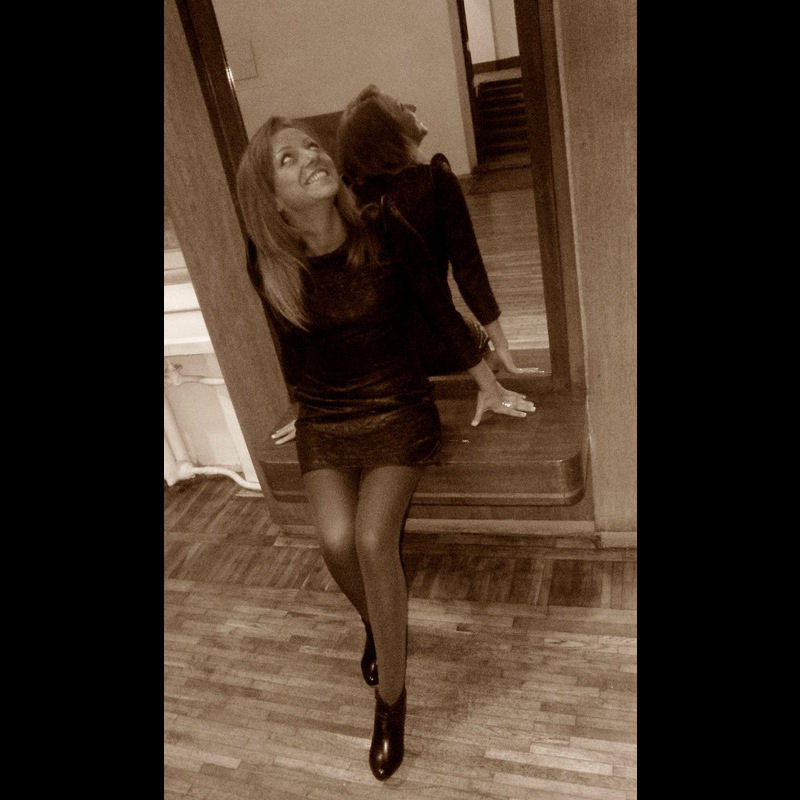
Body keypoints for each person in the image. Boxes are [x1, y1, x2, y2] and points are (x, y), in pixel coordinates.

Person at [236, 116, 535, 780]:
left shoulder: (383, 227)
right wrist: (298, 405)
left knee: (374, 541)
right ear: (271, 198)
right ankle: (381, 624)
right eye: (288, 158)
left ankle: (391, 703)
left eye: (312, 146)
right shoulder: (269, 263)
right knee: (335, 541)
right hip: (327, 413)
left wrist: (486, 380)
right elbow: (293, 349)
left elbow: (438, 307)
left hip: (397, 403)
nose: (311, 156)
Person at [336, 83, 540, 380]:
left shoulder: (362, 203)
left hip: (382, 351)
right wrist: (501, 344)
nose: (412, 108)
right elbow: (468, 270)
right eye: (401, 107)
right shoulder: (435, 180)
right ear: (389, 132)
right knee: (477, 339)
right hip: (436, 343)